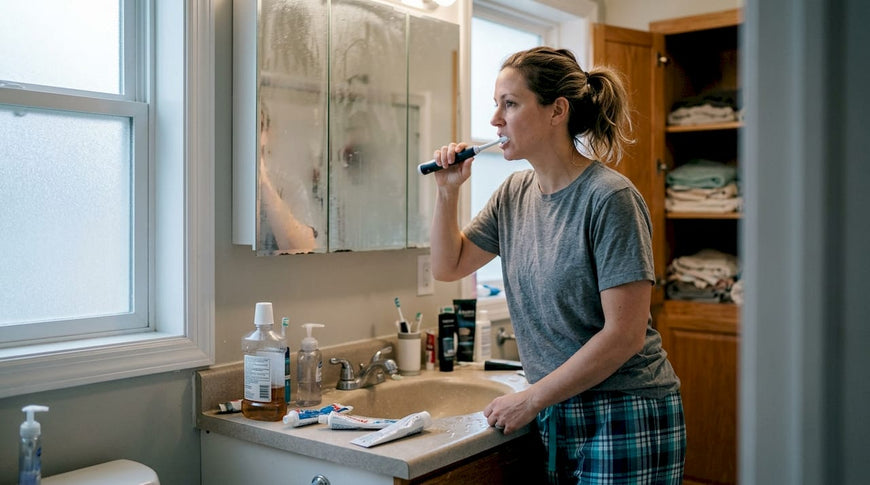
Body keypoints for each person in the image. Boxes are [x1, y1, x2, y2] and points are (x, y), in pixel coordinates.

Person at [428, 46, 686, 484]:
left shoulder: (609, 199)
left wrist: (531, 399)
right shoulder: (513, 194)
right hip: (559, 407)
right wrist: (447, 190)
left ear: (556, 111)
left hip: (624, 410)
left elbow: (624, 335)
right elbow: (448, 266)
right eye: (496, 105)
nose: (495, 120)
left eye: (509, 104)